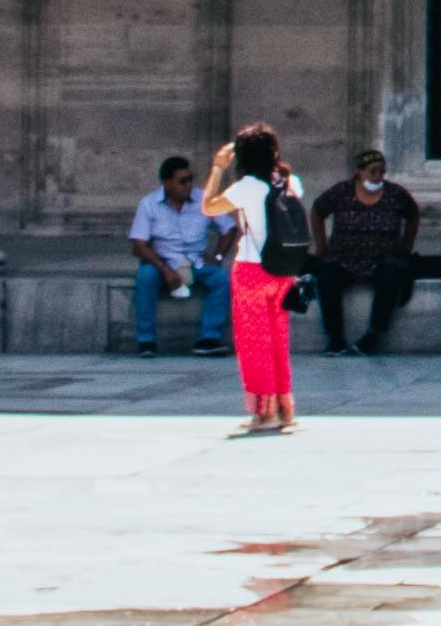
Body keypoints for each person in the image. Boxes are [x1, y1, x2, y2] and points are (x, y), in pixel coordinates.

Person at [204, 122, 313, 434]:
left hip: (252, 269)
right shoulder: (291, 181)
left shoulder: (246, 187)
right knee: (278, 340)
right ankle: (284, 408)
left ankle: (263, 412)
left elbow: (208, 206)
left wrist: (217, 166)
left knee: (254, 343)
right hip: (283, 272)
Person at [311, 148, 421, 353]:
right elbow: (317, 211)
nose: (378, 176)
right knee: (326, 279)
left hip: (383, 258)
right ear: (359, 172)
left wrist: (407, 245)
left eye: (381, 171)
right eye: (373, 171)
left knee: (390, 279)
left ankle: (373, 335)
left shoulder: (395, 194)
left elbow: (413, 214)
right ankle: (335, 338)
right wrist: (321, 245)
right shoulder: (342, 191)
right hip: (344, 257)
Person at [128, 151, 220, 358]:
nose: (188, 185)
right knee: (145, 277)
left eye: (190, 180)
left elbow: (229, 228)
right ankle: (146, 340)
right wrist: (165, 269)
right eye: (182, 181)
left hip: (195, 261)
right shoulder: (149, 204)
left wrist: (219, 256)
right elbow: (139, 245)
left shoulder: (202, 199)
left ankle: (209, 338)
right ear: (167, 183)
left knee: (221, 279)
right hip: (163, 261)